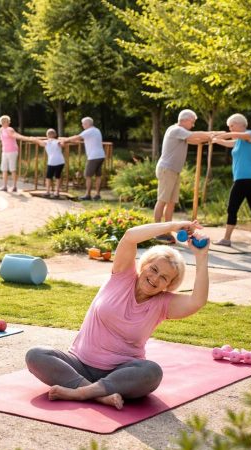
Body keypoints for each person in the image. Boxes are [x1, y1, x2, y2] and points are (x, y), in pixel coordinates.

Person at [25, 220, 210, 410]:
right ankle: (97, 395)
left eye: (164, 278)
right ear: (144, 265)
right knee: (36, 355)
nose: (155, 278)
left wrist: (202, 256)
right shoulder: (122, 275)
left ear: (168, 286)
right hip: (79, 364)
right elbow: (130, 236)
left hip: (121, 374)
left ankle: (82, 392)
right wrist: (172, 226)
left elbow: (197, 301)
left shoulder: (164, 304)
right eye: (154, 269)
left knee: (152, 372)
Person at [153, 110, 216, 243]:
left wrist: (213, 137)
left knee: (171, 203)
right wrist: (211, 134)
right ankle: (157, 231)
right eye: (192, 122)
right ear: (185, 120)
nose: (193, 125)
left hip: (174, 170)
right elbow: (194, 134)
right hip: (167, 169)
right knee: (163, 200)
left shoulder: (182, 134)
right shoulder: (176, 130)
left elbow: (195, 139)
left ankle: (166, 231)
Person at [211, 113, 251, 249]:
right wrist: (215, 139)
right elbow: (227, 142)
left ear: (239, 124)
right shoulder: (238, 141)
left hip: (245, 180)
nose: (230, 129)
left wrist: (221, 135)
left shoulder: (250, 134)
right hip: (250, 179)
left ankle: (226, 239)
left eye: (232, 126)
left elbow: (236, 136)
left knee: (232, 208)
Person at [62, 117, 105, 200]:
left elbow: (77, 137)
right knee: (98, 175)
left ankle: (87, 195)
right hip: (100, 155)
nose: (82, 125)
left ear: (87, 124)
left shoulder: (89, 131)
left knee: (88, 175)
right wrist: (70, 140)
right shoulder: (96, 130)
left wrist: (65, 139)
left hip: (93, 157)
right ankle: (97, 195)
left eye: (83, 124)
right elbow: (83, 139)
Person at [0, 115, 34, 192]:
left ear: (8, 122)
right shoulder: (1, 130)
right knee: (4, 169)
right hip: (5, 152)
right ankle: (5, 186)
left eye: (6, 121)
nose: (5, 123)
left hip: (12, 151)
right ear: (1, 123)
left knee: (12, 169)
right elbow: (2, 140)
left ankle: (14, 187)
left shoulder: (9, 129)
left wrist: (28, 138)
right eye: (3, 122)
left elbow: (16, 136)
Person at [29, 129, 65, 198]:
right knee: (57, 177)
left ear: (47, 135)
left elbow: (37, 141)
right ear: (55, 135)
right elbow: (62, 145)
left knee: (48, 177)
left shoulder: (46, 142)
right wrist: (62, 140)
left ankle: (48, 191)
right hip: (60, 161)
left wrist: (35, 138)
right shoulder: (56, 141)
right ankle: (56, 192)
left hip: (52, 162)